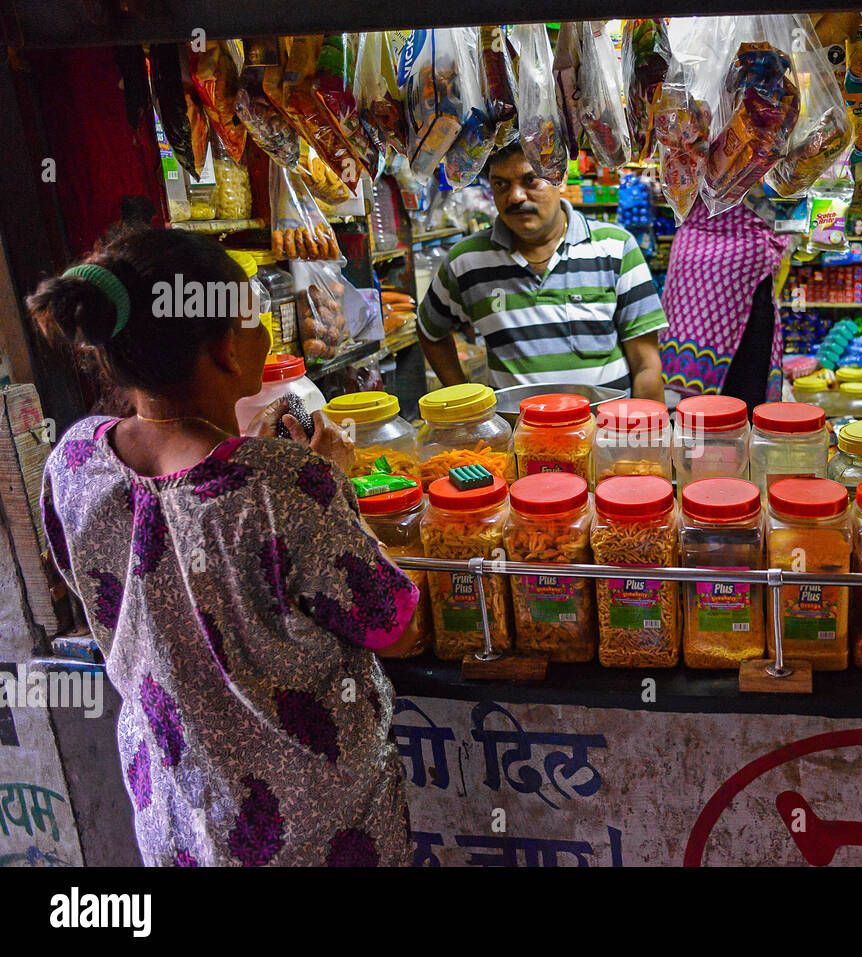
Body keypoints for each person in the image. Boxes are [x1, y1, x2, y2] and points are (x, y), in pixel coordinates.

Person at [32, 228, 421, 866]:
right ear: (221, 349)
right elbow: (394, 624)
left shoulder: (74, 461)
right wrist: (334, 484)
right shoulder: (284, 481)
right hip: (316, 830)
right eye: (252, 319)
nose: (263, 333)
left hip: (179, 813)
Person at [418, 141, 667, 400]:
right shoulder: (467, 261)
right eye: (501, 184)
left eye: (531, 180)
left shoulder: (616, 247)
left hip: (605, 432)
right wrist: (466, 405)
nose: (515, 197)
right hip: (518, 435)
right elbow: (430, 331)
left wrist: (646, 434)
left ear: (561, 178)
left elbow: (646, 365)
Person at [660, 199, 791, 409]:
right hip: (732, 245)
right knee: (739, 387)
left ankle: (714, 432)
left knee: (728, 387)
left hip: (725, 245)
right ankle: (723, 433)